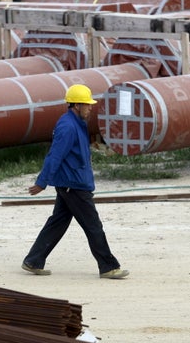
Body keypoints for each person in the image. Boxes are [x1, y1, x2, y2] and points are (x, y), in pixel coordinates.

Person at [21, 84, 129, 280]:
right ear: (76, 105)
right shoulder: (68, 126)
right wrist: (42, 182)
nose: (90, 108)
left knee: (58, 223)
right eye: (87, 105)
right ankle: (108, 267)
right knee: (93, 226)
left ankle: (33, 260)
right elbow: (55, 155)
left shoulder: (77, 123)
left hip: (72, 183)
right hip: (73, 185)